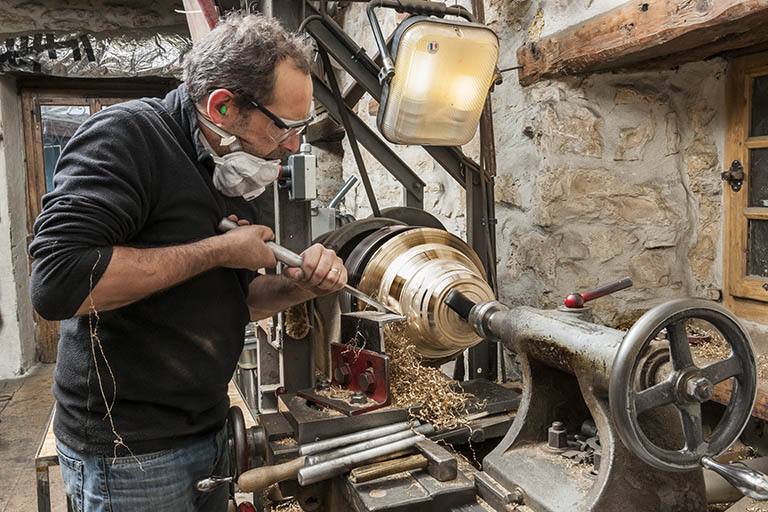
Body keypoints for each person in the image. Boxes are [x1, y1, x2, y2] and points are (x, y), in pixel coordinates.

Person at [28, 12, 346, 512]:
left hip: (209, 426)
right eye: (285, 127)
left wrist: (301, 288)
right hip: (130, 452)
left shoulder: (240, 170)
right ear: (222, 106)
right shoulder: (127, 139)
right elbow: (57, 284)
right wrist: (220, 250)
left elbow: (232, 298)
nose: (293, 145)